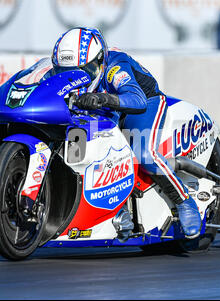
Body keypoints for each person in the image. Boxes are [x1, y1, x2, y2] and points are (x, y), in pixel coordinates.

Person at [51, 27, 201, 239]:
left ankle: (184, 201)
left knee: (144, 153)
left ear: (100, 61)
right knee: (85, 148)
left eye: (85, 70)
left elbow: (137, 99)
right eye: (65, 71)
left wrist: (104, 99)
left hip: (142, 103)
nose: (78, 77)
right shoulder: (58, 69)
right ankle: (112, 207)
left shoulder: (114, 68)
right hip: (102, 106)